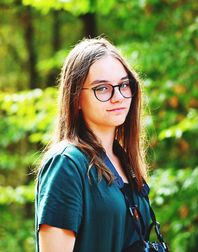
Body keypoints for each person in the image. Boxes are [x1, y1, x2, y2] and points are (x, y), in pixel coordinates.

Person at [35, 37, 151, 252]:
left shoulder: (123, 160)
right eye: (103, 88)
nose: (118, 97)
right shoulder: (67, 164)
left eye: (124, 85)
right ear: (76, 97)